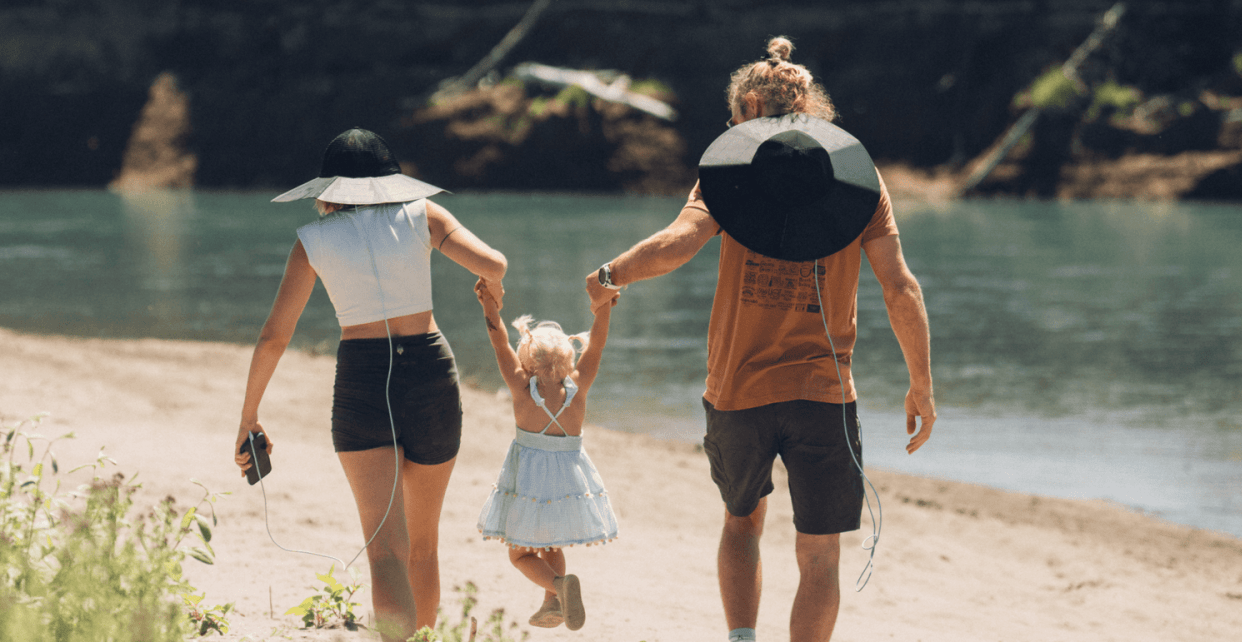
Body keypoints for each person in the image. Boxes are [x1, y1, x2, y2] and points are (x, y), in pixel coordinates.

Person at [583, 37, 936, 642]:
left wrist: (610, 276)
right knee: (820, 554)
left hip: (737, 388)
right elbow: (899, 287)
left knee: (742, 524)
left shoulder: (728, 171)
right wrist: (921, 386)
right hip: (824, 392)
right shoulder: (857, 175)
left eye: (733, 117)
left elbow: (679, 243)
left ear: (749, 104)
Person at [234, 128, 508, 640]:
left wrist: (249, 416)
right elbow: (493, 264)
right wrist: (489, 288)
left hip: (362, 376)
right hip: (430, 371)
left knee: (385, 548)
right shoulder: (425, 216)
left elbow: (274, 336)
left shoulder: (313, 241)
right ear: (390, 179)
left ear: (329, 189)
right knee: (423, 545)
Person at [473, 280, 619, 632]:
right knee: (551, 543)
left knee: (520, 553)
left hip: (529, 481)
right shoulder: (579, 386)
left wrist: (489, 305)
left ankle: (557, 586)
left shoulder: (521, 387)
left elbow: (498, 340)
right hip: (567, 481)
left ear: (528, 358)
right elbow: (597, 344)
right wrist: (604, 308)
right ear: (568, 358)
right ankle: (552, 603)